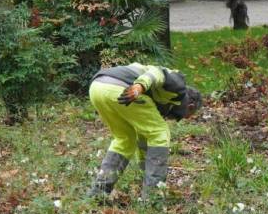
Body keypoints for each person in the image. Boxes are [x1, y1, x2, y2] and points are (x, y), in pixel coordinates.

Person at [87, 63, 202, 200]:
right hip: (125, 88)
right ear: (190, 106)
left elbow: (144, 138)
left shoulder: (160, 98)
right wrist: (140, 86)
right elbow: (157, 72)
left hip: (97, 88)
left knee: (125, 139)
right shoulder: (178, 85)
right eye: (187, 115)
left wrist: (145, 170)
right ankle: (153, 198)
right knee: (160, 133)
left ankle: (98, 194)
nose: (180, 119)